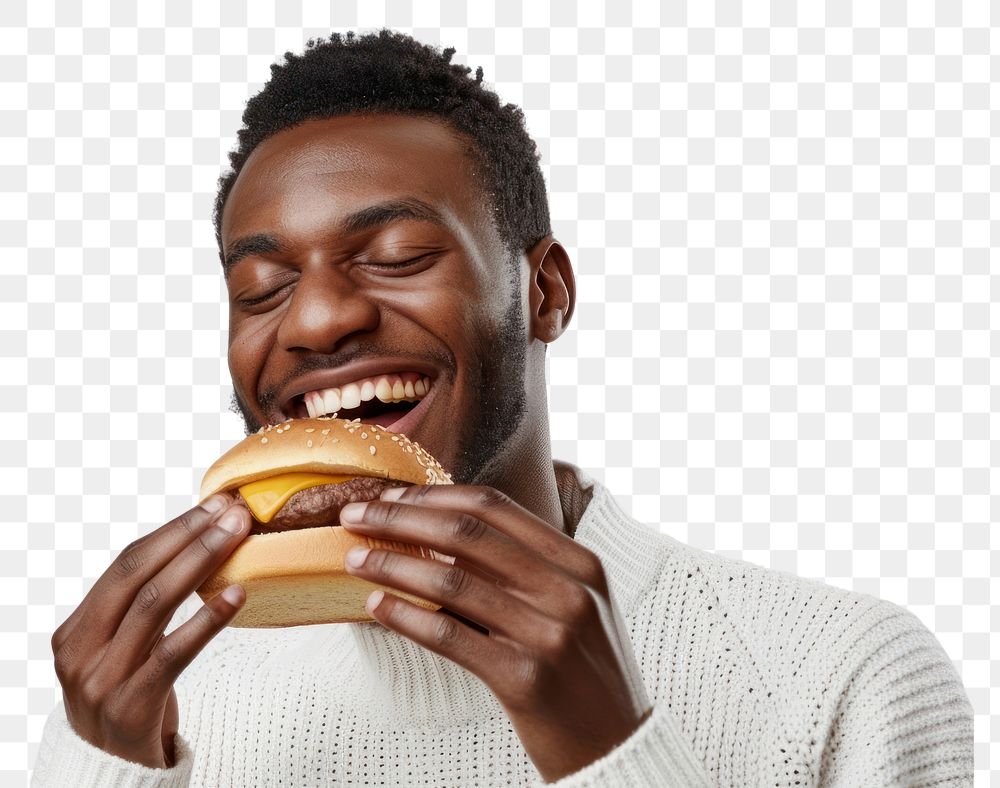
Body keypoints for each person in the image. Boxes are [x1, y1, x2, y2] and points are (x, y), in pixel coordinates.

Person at [32, 30, 972, 787]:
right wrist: (101, 771)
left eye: (397, 256)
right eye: (263, 287)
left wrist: (613, 755)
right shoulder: (161, 699)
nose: (316, 320)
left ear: (546, 292)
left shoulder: (844, 671)